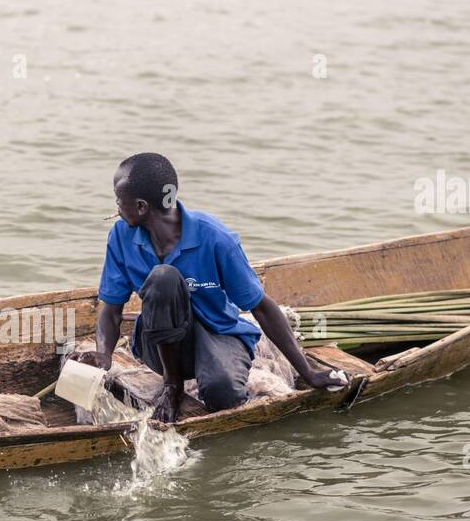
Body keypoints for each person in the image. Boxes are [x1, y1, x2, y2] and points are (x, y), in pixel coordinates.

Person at [69, 153, 342, 423]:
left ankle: (216, 373)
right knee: (164, 278)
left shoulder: (213, 237)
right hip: (161, 348)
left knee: (223, 396)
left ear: (141, 207)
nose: (116, 205)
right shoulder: (121, 236)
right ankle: (172, 385)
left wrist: (308, 372)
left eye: (119, 199)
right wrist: (104, 354)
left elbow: (262, 307)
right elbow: (111, 310)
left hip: (218, 333)